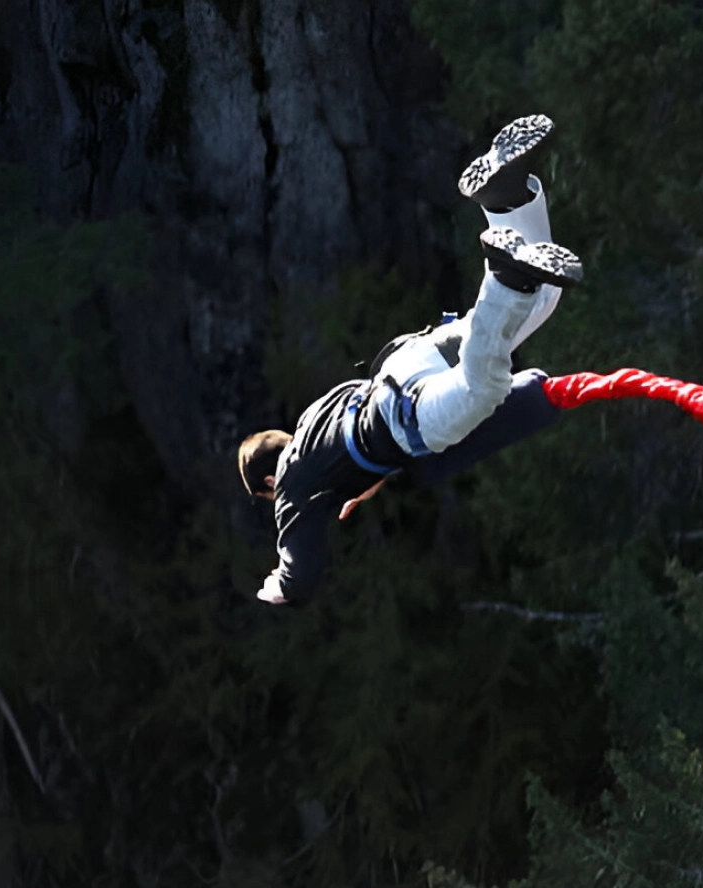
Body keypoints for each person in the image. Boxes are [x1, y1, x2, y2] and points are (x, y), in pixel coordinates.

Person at [238, 115, 583, 606]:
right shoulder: (314, 420)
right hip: (412, 355)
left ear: (270, 482)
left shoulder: (293, 483)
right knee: (544, 299)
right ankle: (505, 199)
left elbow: (301, 576)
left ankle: (504, 276)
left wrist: (275, 587)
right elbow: (348, 460)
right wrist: (367, 484)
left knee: (480, 387)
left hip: (408, 416)